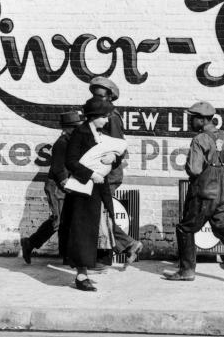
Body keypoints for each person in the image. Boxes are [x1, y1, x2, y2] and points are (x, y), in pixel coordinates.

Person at [166, 101, 224, 285]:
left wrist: (195, 171)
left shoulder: (199, 140)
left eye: (193, 118)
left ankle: (187, 270)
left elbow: (195, 169)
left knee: (186, 229)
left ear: (203, 120)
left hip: (203, 193)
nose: (191, 121)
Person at [60, 97, 121, 291]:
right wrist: (91, 174)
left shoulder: (101, 134)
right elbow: (70, 161)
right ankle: (81, 275)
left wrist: (114, 158)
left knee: (102, 227)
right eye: (103, 117)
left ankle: (94, 264)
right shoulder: (80, 133)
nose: (106, 120)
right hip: (83, 191)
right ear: (93, 117)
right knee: (82, 232)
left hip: (99, 189)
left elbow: (114, 155)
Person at [87, 76, 143, 265]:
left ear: (109, 96)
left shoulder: (111, 117)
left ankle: (128, 245)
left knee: (100, 213)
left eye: (101, 95)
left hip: (108, 174)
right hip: (99, 172)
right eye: (94, 95)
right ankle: (126, 246)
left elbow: (119, 147)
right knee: (99, 213)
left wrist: (108, 161)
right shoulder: (98, 114)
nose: (97, 98)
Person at [20, 110, 83, 263]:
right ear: (67, 128)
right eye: (74, 128)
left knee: (66, 221)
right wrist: (64, 182)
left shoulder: (71, 142)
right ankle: (30, 243)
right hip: (57, 186)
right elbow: (57, 168)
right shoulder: (61, 143)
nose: (77, 130)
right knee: (58, 221)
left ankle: (66, 255)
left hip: (66, 186)